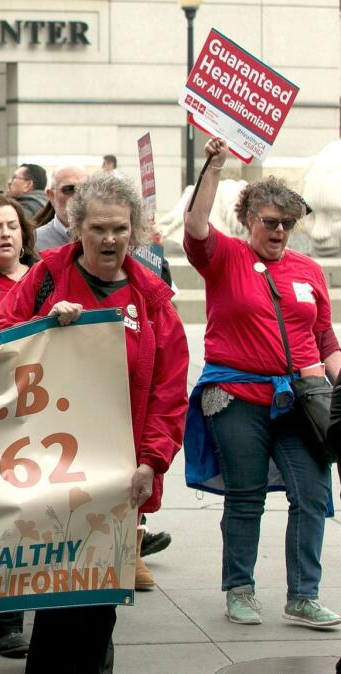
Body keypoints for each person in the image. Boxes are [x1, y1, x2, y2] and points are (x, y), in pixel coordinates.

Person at [0, 171, 189, 672]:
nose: (110, 239)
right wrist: (45, 323)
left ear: (135, 232)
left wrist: (152, 462)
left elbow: (169, 394)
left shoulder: (153, 300)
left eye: (120, 228)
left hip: (118, 473)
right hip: (49, 465)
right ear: (77, 229)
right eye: (98, 228)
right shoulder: (47, 276)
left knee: (99, 609)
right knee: (57, 604)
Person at [183, 138, 341, 628]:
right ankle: (240, 589)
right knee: (246, 494)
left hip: (302, 398)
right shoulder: (223, 257)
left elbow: (324, 338)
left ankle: (303, 595)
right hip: (235, 396)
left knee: (312, 495)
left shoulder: (308, 269)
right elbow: (193, 226)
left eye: (287, 224)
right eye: (269, 221)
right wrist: (214, 165)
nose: (278, 231)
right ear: (248, 218)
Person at [34, 165, 90, 251]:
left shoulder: (107, 237)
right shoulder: (34, 242)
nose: (79, 196)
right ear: (51, 196)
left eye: (85, 189)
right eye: (69, 189)